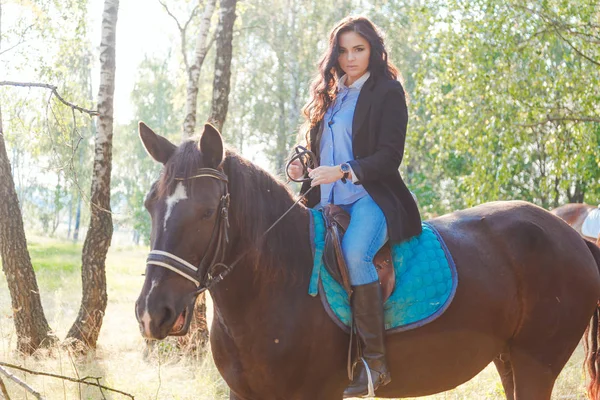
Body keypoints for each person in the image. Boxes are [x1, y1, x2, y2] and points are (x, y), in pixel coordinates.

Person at [288, 16, 422, 397]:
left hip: (370, 198)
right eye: (344, 51)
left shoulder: (387, 92)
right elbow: (319, 152)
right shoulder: (330, 95)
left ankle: (375, 364)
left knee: (355, 253)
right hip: (326, 202)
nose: (350, 58)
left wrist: (344, 171)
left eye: (359, 50)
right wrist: (303, 165)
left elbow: (389, 156)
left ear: (373, 51)